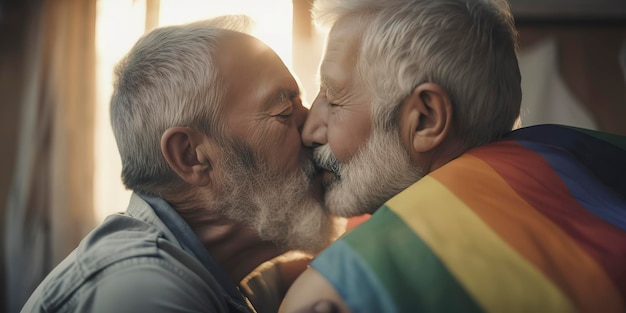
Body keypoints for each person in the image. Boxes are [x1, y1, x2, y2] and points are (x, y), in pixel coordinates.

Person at [280, 0, 626, 312]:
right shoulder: (576, 156)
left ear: (426, 119)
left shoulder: (344, 288)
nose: (310, 128)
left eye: (334, 99)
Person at [21, 16, 344, 313]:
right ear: (191, 156)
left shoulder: (213, 275)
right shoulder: (142, 292)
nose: (314, 128)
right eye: (285, 112)